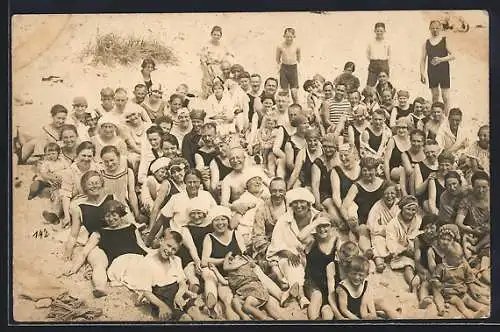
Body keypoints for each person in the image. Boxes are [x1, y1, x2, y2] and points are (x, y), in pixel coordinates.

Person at [64, 200, 149, 298]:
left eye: (114, 215)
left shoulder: (131, 227)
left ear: (120, 214)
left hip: (137, 259)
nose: (111, 219)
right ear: (103, 218)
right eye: (107, 216)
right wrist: (74, 268)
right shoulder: (100, 233)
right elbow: (84, 252)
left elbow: (142, 246)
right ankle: (100, 288)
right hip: (119, 263)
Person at [133, 230, 206, 321]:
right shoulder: (148, 262)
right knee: (185, 318)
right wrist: (162, 306)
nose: (170, 251)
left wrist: (179, 295)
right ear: (161, 241)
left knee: (195, 313)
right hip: (160, 298)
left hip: (177, 293)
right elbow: (147, 292)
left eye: (174, 249)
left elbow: (182, 283)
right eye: (169, 245)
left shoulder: (176, 260)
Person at [266, 188, 320, 309]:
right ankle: (301, 296)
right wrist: (288, 252)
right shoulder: (284, 220)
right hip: (288, 256)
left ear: (308, 203)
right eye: (295, 202)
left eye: (302, 202)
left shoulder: (317, 217)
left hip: (312, 255)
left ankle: (288, 290)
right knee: (293, 265)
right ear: (290, 205)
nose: (299, 206)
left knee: (303, 266)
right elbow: (276, 243)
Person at [201, 205, 244, 320]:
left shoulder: (236, 233)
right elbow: (204, 261)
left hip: (238, 272)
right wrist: (223, 260)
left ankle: (281, 295)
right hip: (220, 275)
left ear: (228, 221)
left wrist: (236, 263)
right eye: (216, 220)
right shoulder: (209, 237)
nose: (220, 223)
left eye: (223, 219)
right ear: (212, 223)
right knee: (227, 299)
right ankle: (211, 300)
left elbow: (244, 254)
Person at [342, 157, 386, 257]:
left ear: (376, 170)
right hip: (363, 218)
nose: (367, 173)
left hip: (379, 217)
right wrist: (348, 219)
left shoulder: (383, 184)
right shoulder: (357, 185)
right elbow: (344, 206)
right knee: (363, 230)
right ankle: (367, 251)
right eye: (364, 170)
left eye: (370, 170)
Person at [430, 242, 487, 318]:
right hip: (449, 293)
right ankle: (469, 314)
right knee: (458, 302)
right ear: (447, 258)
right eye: (457, 259)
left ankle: (482, 310)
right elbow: (434, 279)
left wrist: (473, 290)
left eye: (461, 257)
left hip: (461, 291)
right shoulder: (441, 268)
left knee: (469, 300)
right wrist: (438, 284)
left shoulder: (463, 266)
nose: (461, 261)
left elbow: (469, 279)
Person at [222, 252, 283, 320]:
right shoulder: (233, 274)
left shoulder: (242, 263)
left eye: (235, 258)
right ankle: (246, 317)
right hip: (246, 292)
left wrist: (227, 256)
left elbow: (225, 267)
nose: (230, 261)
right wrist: (215, 270)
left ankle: (265, 319)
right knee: (235, 301)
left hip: (254, 288)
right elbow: (225, 281)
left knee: (247, 306)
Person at [60, 142, 101, 228]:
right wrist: (66, 216)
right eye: (83, 155)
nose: (86, 159)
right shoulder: (69, 171)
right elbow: (66, 195)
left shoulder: (98, 169)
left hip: (96, 199)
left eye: (89, 156)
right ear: (77, 155)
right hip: (78, 200)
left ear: (93, 156)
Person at [386, 195, 422, 292]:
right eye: (408, 209)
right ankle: (413, 284)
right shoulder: (393, 224)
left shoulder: (419, 221)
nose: (411, 212)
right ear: (402, 208)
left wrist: (416, 248)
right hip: (402, 253)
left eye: (413, 210)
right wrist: (404, 250)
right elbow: (391, 242)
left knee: (422, 263)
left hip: (417, 250)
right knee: (408, 266)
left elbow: (422, 234)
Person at [304, 214, 337, 320]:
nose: (322, 229)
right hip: (312, 281)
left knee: (327, 309)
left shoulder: (337, 241)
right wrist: (315, 222)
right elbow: (300, 237)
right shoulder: (312, 240)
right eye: (319, 226)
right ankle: (315, 321)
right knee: (317, 296)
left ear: (332, 226)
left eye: (325, 225)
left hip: (329, 283)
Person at [100, 145, 143, 226]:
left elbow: (132, 194)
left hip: (122, 205)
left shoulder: (127, 172)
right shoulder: (101, 174)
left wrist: (137, 214)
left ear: (118, 158)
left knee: (128, 222)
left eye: (112, 160)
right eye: (106, 161)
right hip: (105, 206)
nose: (110, 164)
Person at [420, 20, 455, 114]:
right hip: (432, 71)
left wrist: (441, 59)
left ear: (441, 28)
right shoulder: (426, 43)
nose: (435, 30)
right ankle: (436, 115)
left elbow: (453, 56)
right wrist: (422, 73)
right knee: (435, 95)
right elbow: (422, 60)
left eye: (437, 28)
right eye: (433, 28)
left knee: (445, 96)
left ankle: (446, 116)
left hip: (444, 70)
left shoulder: (445, 40)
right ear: (429, 29)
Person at [30, 143, 70, 224]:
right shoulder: (46, 163)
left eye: (53, 153)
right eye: (48, 154)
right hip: (53, 182)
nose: (51, 156)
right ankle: (54, 215)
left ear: (58, 153)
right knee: (56, 196)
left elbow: (69, 169)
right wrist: (53, 178)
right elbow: (44, 174)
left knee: (63, 195)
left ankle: (58, 214)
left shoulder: (62, 160)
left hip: (65, 180)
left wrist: (64, 176)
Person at [366, 181, 400, 273]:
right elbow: (371, 225)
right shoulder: (378, 206)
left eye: (392, 193)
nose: (389, 196)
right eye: (387, 193)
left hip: (395, 234)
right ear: (382, 194)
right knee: (377, 241)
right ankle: (379, 263)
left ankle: (392, 257)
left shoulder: (399, 205)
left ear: (396, 194)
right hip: (381, 233)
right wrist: (384, 229)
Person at [200, 25, 234, 99]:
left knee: (220, 85)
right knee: (209, 85)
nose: (216, 36)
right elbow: (203, 60)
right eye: (214, 34)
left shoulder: (223, 46)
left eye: (218, 35)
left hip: (219, 68)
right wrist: (206, 73)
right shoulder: (207, 45)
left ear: (221, 36)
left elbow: (227, 57)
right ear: (211, 34)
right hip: (209, 68)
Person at [310, 134, 339, 215]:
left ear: (336, 147)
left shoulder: (340, 160)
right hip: (323, 193)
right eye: (325, 146)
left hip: (338, 192)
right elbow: (315, 186)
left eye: (330, 147)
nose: (327, 149)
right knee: (332, 206)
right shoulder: (318, 163)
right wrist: (318, 203)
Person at [275, 27, 300, 104]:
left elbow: (299, 59)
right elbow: (277, 59)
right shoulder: (280, 46)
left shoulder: (297, 46)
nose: (289, 38)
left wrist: (298, 70)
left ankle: (296, 107)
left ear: (294, 36)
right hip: (284, 68)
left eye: (291, 37)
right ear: (284, 36)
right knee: (285, 92)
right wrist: (279, 68)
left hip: (293, 68)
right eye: (287, 36)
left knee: (294, 92)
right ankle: (285, 109)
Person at [384, 118, 411, 188]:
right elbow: (386, 160)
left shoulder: (411, 140)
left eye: (404, 128)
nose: (401, 130)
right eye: (399, 127)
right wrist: (388, 179)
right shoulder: (392, 140)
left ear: (408, 128)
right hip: (395, 169)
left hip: (409, 168)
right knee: (407, 172)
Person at [194, 122, 218, 190]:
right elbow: (200, 167)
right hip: (209, 183)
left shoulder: (222, 149)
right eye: (204, 136)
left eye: (209, 135)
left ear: (216, 135)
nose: (207, 138)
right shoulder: (199, 152)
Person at [366, 22, 391, 87]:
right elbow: (368, 54)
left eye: (381, 31)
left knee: (384, 85)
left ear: (384, 31)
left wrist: (384, 64)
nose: (379, 32)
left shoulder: (387, 42)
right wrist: (374, 61)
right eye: (377, 31)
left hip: (384, 64)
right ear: (375, 31)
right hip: (373, 64)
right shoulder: (371, 42)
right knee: (370, 85)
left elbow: (389, 55)